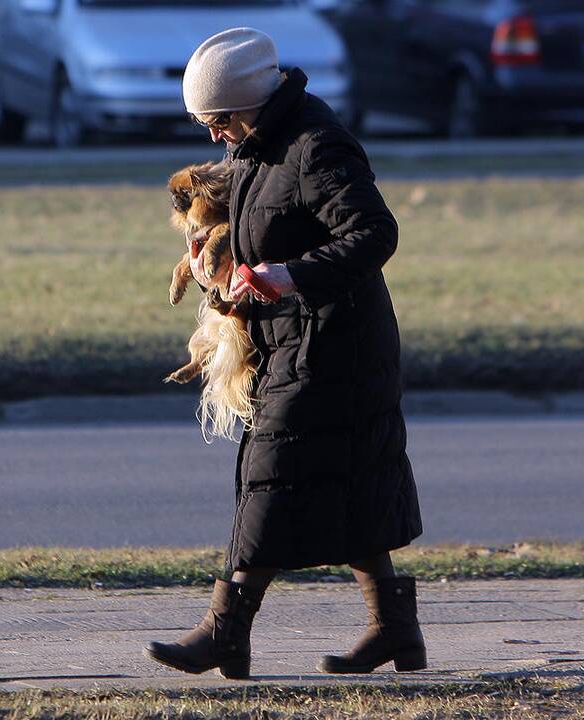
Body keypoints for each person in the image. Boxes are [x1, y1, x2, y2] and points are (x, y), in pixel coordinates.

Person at [144, 27, 426, 679]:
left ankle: (224, 631)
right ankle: (394, 630)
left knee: (271, 478)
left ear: (246, 102)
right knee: (353, 481)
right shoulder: (259, 146)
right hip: (295, 338)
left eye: (218, 120)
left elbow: (373, 232)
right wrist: (220, 267)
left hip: (336, 344)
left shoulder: (315, 144)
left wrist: (286, 277)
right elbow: (265, 233)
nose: (214, 135)